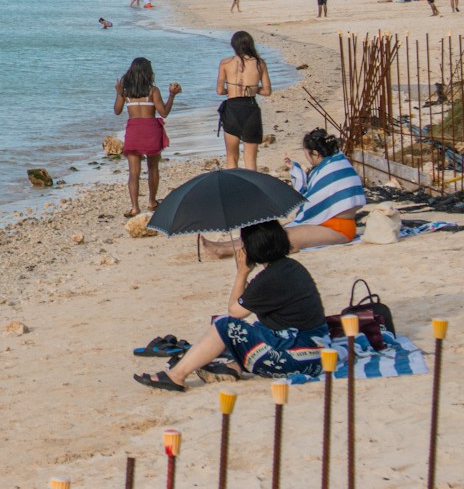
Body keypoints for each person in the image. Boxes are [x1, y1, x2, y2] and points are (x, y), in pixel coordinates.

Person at [133, 220, 330, 391]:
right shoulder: (290, 268)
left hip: (299, 358)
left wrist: (241, 272)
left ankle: (176, 376)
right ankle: (234, 367)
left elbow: (234, 312)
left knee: (224, 326)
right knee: (252, 328)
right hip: (316, 351)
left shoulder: (270, 278)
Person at [115, 57, 180, 216]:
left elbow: (117, 111)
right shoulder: (153, 91)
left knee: (134, 172)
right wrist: (172, 95)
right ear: (147, 73)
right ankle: (151, 201)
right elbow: (163, 113)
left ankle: (135, 207)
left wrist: (118, 93)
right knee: (153, 168)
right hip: (151, 129)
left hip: (134, 130)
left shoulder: (126, 92)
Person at [283, 128, 367, 249]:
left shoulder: (330, 169)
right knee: (276, 235)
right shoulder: (338, 162)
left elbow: (311, 198)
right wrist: (294, 168)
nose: (307, 158)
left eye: (306, 154)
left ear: (315, 154)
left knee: (283, 239)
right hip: (329, 225)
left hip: (337, 229)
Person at [216, 30, 272, 171]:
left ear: (234, 45)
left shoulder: (225, 63)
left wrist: (231, 90)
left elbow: (219, 90)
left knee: (232, 157)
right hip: (250, 107)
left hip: (232, 108)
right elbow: (267, 91)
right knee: (250, 158)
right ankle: (251, 189)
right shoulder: (260, 63)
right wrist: (253, 88)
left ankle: (233, 188)